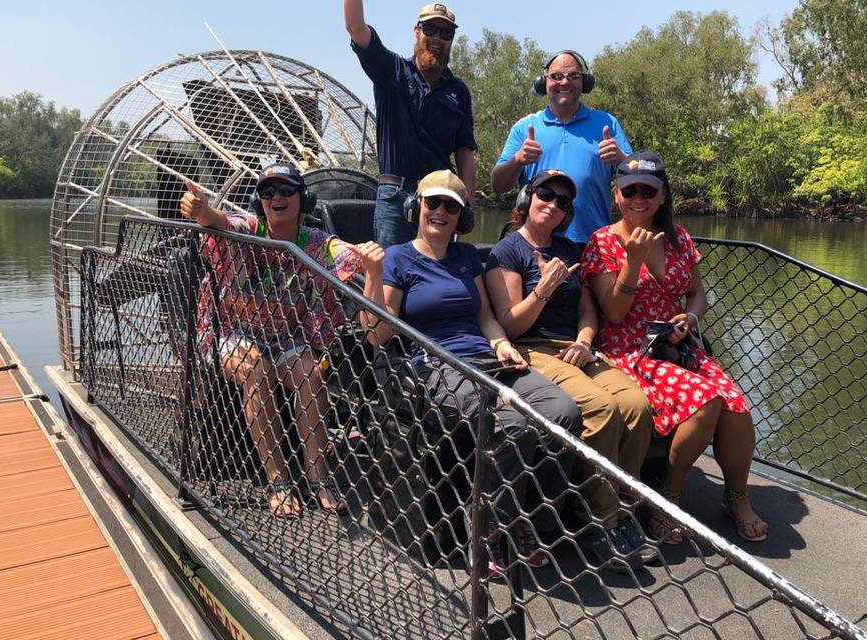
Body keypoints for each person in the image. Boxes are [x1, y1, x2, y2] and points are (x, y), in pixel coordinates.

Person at [351, 169, 583, 577]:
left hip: (485, 357)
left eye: (451, 206)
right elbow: (376, 334)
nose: (440, 212)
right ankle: (491, 527)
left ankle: (536, 518)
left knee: (563, 410)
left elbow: (484, 315)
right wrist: (372, 276)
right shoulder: (398, 258)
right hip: (435, 365)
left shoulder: (464, 258)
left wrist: (501, 343)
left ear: (462, 217)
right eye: (433, 203)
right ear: (416, 207)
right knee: (513, 421)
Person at [582, 151, 769, 543]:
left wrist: (691, 318)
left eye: (647, 191)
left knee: (735, 404)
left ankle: (736, 498)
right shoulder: (602, 242)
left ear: (662, 195)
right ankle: (668, 497)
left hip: (677, 344)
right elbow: (614, 315)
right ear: (615, 195)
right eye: (629, 190)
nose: (638, 198)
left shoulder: (679, 238)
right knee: (705, 399)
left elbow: (697, 294)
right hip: (629, 349)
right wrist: (632, 263)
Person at [484, 169, 655, 569]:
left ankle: (622, 509)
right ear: (530, 198)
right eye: (547, 194)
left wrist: (583, 341)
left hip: (575, 346)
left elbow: (588, 311)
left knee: (635, 404)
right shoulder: (507, 251)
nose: (554, 204)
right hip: (531, 347)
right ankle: (596, 521)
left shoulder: (570, 249)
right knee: (599, 407)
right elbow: (509, 324)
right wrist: (543, 288)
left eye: (564, 202)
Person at [180, 162, 361, 518]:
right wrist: (201, 210)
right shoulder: (250, 228)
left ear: (302, 198)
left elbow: (343, 253)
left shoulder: (313, 242)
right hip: (234, 333)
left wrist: (368, 258)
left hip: (287, 338)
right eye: (268, 192)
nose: (277, 197)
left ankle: (318, 476)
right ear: (258, 199)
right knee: (256, 369)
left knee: (310, 373)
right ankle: (278, 479)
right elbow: (217, 221)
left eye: (286, 191)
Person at [344, 1, 476, 247]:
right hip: (396, 196)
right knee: (392, 275)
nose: (437, 38)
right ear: (417, 30)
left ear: (452, 39)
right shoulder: (390, 69)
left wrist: (468, 200)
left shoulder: (459, 91)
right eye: (430, 29)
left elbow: (464, 149)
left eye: (446, 33)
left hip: (440, 199)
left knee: (436, 274)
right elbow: (355, 27)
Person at [491, 50, 631, 246]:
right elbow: (498, 185)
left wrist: (621, 159)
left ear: (585, 82)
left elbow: (637, 176)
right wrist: (517, 160)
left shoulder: (607, 123)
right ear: (544, 83)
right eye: (556, 76)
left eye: (573, 76)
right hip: (538, 246)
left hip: (596, 246)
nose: (565, 82)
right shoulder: (524, 127)